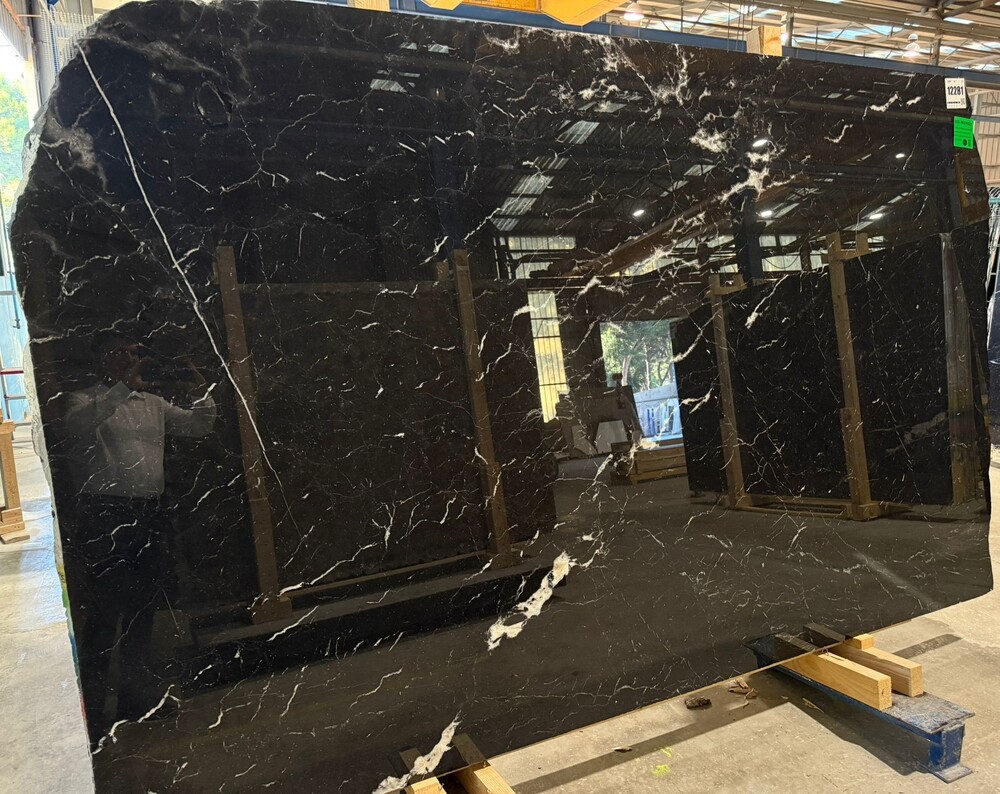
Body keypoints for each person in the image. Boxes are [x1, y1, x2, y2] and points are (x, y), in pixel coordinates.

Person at [62, 332, 216, 746]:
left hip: (148, 514)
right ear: (102, 359)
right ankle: (91, 714)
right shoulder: (83, 400)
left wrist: (199, 387)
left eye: (134, 353)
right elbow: (77, 428)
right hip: (104, 517)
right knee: (103, 614)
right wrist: (122, 388)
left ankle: (134, 699)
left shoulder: (153, 403)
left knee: (141, 611)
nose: (130, 359)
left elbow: (199, 426)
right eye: (120, 353)